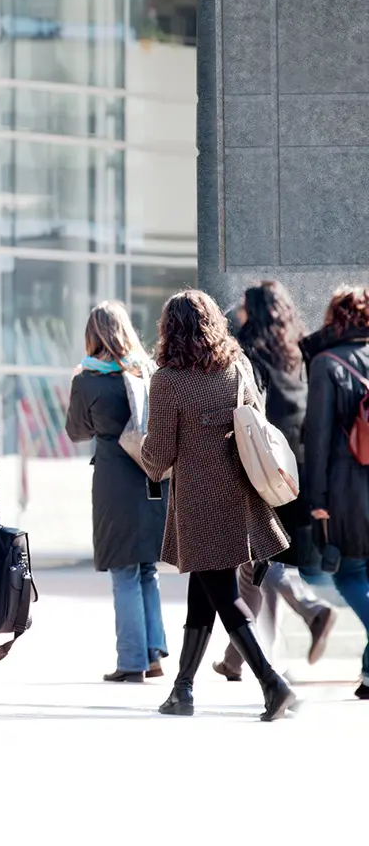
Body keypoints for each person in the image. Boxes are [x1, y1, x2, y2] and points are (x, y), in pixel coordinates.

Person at [141, 289, 296, 721]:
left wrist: (140, 447)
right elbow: (257, 420)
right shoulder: (237, 366)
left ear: (170, 330)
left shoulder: (167, 380)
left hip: (199, 502)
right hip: (240, 495)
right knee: (204, 591)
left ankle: (272, 683)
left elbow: (159, 456)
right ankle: (182, 689)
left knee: (225, 596)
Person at [212, 282, 336, 681]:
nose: (237, 312)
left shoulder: (249, 356)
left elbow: (247, 413)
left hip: (263, 468)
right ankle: (236, 660)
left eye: (244, 307)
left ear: (255, 312)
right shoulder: (297, 352)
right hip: (296, 467)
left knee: (261, 558)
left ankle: (312, 610)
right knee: (257, 565)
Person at [66, 302, 169, 682]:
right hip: (154, 479)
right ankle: (153, 655)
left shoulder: (88, 380)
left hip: (114, 483)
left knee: (124, 572)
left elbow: (77, 432)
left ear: (93, 335)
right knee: (146, 570)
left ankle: (131, 662)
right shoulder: (149, 372)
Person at [303, 286, 369, 701]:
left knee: (348, 572)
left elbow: (320, 439)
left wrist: (317, 501)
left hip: (347, 488)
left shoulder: (327, 364)